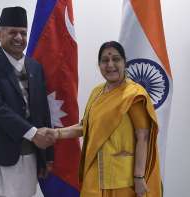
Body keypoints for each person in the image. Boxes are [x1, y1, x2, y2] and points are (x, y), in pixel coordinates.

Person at [47, 41, 162, 197]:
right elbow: (85, 126)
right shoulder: (97, 92)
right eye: (105, 60)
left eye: (116, 59)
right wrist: (56, 134)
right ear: (99, 65)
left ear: (124, 62)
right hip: (94, 173)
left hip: (122, 179)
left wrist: (139, 177)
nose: (110, 64)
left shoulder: (133, 94)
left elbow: (143, 137)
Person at [0, 6, 55, 197]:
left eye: (23, 33)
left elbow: (43, 111)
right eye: (13, 32)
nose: (19, 38)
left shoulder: (35, 67)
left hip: (29, 156)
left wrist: (47, 156)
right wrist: (34, 134)